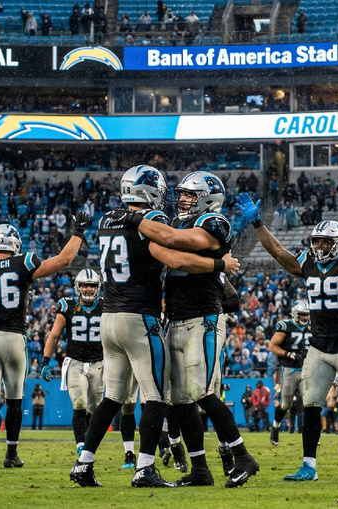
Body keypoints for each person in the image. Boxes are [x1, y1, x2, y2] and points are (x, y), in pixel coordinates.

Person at [69, 166, 239, 488]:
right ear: (150, 192)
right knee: (156, 396)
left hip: (109, 317)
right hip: (138, 318)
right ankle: (145, 468)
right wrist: (220, 264)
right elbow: (175, 258)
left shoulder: (107, 219)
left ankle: (84, 463)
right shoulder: (153, 220)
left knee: (112, 397)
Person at [240, 191, 338, 481]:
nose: (319, 246)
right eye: (316, 241)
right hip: (319, 346)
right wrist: (258, 224)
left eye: (325, 241)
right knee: (311, 404)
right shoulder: (309, 263)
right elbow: (278, 253)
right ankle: (309, 466)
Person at [126, 171, 257, 487]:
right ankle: (200, 469)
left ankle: (243, 457)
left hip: (204, 319)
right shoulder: (175, 223)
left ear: (208, 199)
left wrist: (134, 218)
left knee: (202, 392)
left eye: (189, 194)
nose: (182, 199)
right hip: (174, 319)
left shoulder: (215, 223)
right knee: (179, 400)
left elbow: (175, 244)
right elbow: (166, 248)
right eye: (182, 193)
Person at [0, 216, 88, 470]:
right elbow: (64, 260)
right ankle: (11, 454)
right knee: (14, 400)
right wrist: (78, 231)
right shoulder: (23, 263)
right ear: (15, 244)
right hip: (14, 339)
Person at [41, 268, 139, 467]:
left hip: (100, 363)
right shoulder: (67, 305)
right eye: (85, 285)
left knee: (94, 409)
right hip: (75, 361)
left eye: (92, 286)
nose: (88, 289)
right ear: (78, 287)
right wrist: (45, 360)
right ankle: (81, 446)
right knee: (79, 403)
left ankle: (87, 443)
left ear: (98, 287)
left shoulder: (105, 305)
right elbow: (55, 335)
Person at [269, 301, 311, 446]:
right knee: (286, 405)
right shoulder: (285, 326)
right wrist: (289, 354)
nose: (305, 318)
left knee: (309, 403)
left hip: (306, 369)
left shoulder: (313, 326)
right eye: (302, 315)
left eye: (306, 315)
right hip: (289, 369)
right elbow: (272, 346)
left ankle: (310, 435)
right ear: (295, 314)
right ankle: (275, 426)